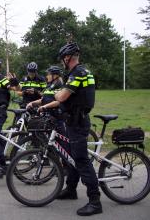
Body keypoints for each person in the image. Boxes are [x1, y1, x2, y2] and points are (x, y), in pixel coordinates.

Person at [55, 42, 102, 216]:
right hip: (74, 121)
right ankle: (71, 189)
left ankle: (95, 201)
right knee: (71, 156)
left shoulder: (78, 73)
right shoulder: (81, 72)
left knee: (81, 160)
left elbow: (63, 95)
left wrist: (56, 94)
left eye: (62, 59)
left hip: (78, 123)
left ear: (67, 58)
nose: (62, 62)